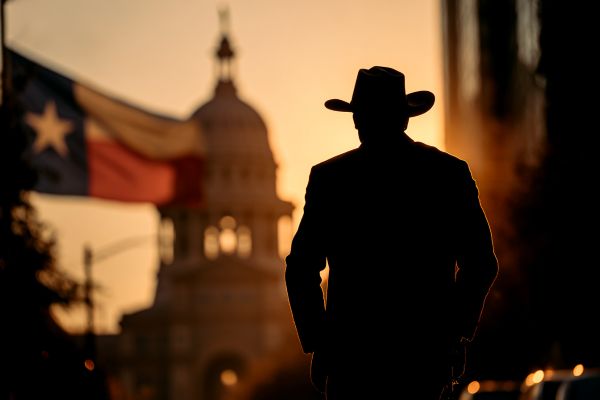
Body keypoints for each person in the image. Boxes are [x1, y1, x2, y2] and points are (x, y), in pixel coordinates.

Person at [284, 66, 498, 399]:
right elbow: (482, 263)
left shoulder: (331, 179)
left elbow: (301, 269)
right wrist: (453, 332)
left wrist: (320, 342)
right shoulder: (447, 173)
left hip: (353, 360)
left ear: (357, 120)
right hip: (423, 356)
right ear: (406, 119)